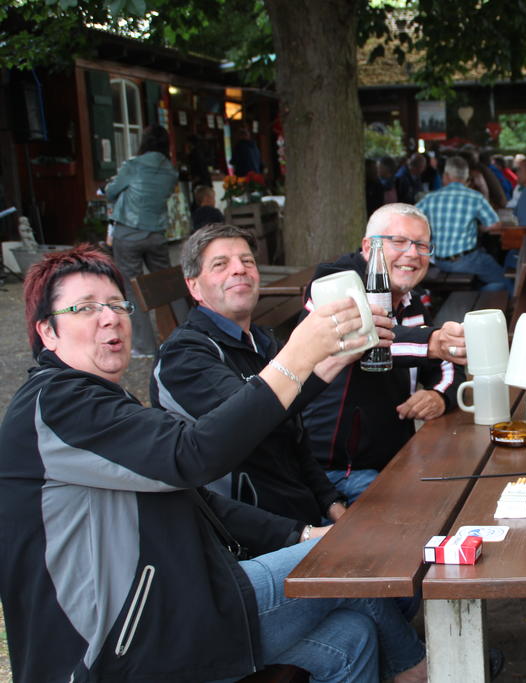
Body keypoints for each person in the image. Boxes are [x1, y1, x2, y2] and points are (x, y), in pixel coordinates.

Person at [0, 245, 427, 682]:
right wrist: (297, 355)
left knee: (351, 637)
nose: (109, 317)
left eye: (115, 304)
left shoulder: (98, 402)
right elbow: (195, 453)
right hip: (121, 652)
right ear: (47, 333)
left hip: (188, 601)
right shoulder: (55, 403)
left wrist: (300, 531)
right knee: (344, 560)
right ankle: (422, 670)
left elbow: (197, 497)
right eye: (84, 308)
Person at [151, 224, 368, 527]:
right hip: (255, 541)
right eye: (220, 265)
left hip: (308, 515)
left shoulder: (262, 342)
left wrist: (333, 506)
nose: (239, 269)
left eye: (247, 261)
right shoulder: (183, 356)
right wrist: (305, 353)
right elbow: (252, 417)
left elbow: (294, 441)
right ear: (194, 287)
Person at [301, 204, 468, 502]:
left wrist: (438, 396)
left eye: (421, 245)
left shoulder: (409, 300)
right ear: (368, 246)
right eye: (399, 241)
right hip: (332, 473)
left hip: (394, 460)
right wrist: (434, 341)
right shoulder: (332, 284)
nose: (412, 253)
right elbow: (363, 336)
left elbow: (445, 364)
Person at [105, 124, 178, 358]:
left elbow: (111, 191)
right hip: (156, 233)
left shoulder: (133, 166)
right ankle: (185, 334)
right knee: (168, 286)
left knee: (131, 288)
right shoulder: (170, 171)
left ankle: (144, 346)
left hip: (128, 233)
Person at [416, 156, 508, 292]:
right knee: (505, 281)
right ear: (466, 178)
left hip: (439, 261)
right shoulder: (475, 197)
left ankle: (474, 295)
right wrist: (480, 228)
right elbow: (496, 225)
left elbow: (409, 217)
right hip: (467, 260)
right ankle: (482, 299)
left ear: (446, 176)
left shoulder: (430, 198)